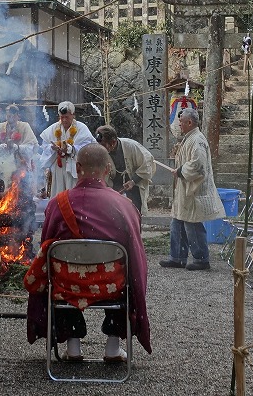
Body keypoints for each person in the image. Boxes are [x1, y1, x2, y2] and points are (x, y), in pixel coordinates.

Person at [26, 143, 151, 362]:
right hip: (111, 286)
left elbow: (46, 245)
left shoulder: (57, 203)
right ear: (108, 169)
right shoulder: (124, 205)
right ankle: (113, 347)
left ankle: (73, 345)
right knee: (127, 270)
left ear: (77, 167)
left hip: (67, 286)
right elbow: (136, 253)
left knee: (60, 271)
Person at [159, 107, 224, 271]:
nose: (179, 124)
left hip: (194, 189)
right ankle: (177, 257)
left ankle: (201, 259)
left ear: (189, 122)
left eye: (181, 122)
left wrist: (181, 171)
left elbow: (198, 164)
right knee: (177, 222)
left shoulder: (197, 140)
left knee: (192, 224)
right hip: (185, 188)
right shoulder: (190, 138)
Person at [39, 102, 96, 198]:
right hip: (58, 168)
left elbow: (87, 147)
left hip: (74, 168)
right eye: (62, 117)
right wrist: (52, 148)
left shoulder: (81, 128)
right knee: (58, 195)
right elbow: (44, 145)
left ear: (73, 115)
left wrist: (71, 149)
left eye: (67, 117)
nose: (64, 120)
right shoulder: (53, 128)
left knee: (73, 196)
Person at [93, 125, 156, 213]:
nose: (101, 148)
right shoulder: (100, 151)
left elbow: (147, 164)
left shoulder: (131, 146)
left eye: (103, 145)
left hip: (134, 185)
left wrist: (133, 181)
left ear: (113, 142)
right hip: (113, 187)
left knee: (134, 212)